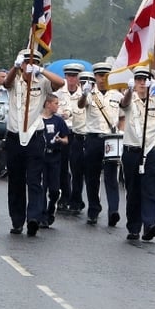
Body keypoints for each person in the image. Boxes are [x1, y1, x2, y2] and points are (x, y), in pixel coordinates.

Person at [3, 48, 64, 236]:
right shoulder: (15, 80)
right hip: (14, 136)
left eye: (33, 62)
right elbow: (6, 83)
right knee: (16, 181)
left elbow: (60, 82)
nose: (28, 65)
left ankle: (33, 218)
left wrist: (41, 70)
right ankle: (17, 221)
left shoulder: (43, 82)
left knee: (34, 180)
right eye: (26, 62)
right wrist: (15, 67)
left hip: (34, 137)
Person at [119, 66, 155, 241]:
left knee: (151, 190)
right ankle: (134, 227)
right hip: (132, 151)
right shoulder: (130, 99)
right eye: (139, 80)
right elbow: (124, 103)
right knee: (134, 190)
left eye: (145, 80)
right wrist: (130, 89)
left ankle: (150, 224)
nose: (142, 83)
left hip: (150, 151)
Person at [78, 62, 124, 227]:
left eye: (105, 75)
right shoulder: (91, 93)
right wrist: (84, 94)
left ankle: (113, 211)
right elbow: (81, 105)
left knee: (112, 177)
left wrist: (121, 132)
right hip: (94, 138)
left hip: (111, 138)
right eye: (99, 76)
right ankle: (93, 209)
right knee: (92, 177)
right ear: (95, 77)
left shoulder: (117, 95)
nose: (102, 79)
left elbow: (123, 115)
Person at [55, 63, 85, 214]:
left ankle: (76, 199)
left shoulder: (85, 94)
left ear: (79, 77)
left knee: (77, 168)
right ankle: (64, 197)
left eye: (75, 76)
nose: (72, 79)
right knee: (62, 167)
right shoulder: (59, 93)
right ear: (65, 77)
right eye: (69, 76)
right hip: (63, 132)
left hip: (78, 133)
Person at [41, 93, 70, 227]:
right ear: (48, 104)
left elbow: (66, 139)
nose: (58, 106)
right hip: (42, 157)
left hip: (54, 157)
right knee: (41, 187)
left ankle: (52, 208)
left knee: (54, 189)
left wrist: (60, 140)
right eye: (56, 103)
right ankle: (42, 216)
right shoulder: (38, 119)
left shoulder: (59, 121)